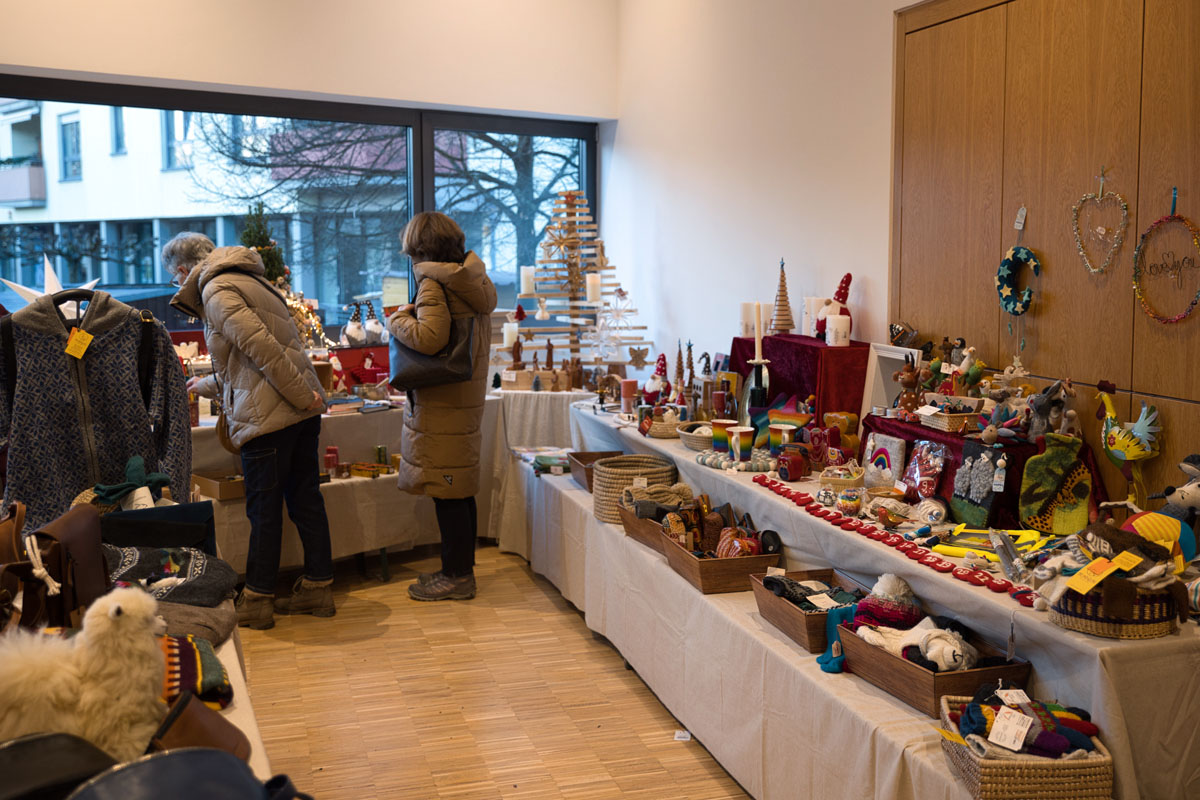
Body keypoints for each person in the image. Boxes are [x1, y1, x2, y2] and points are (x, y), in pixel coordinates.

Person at [165, 232, 335, 629]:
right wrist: (206, 384)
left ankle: (258, 599)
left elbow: (263, 350)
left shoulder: (215, 290)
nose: (177, 286)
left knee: (264, 511)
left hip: (272, 417)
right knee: (306, 501)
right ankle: (318, 586)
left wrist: (302, 396)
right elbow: (248, 363)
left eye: (175, 279)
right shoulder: (250, 279)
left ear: (183, 270)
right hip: (295, 410)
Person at [388, 212, 497, 601]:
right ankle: (458, 569)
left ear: (419, 248)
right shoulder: (473, 282)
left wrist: (397, 319)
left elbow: (430, 338)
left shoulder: (433, 284)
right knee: (459, 488)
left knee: (448, 492)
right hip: (462, 400)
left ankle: (458, 576)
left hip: (442, 404)